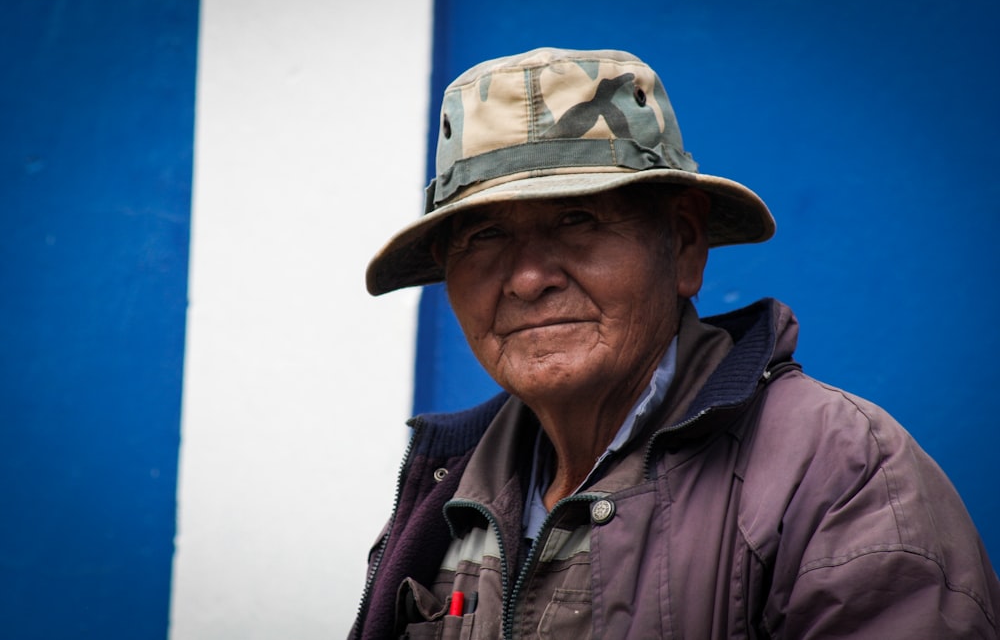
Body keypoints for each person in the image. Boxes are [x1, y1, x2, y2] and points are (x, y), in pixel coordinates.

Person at [350, 48, 1000, 639]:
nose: (527, 278)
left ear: (685, 244)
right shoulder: (446, 493)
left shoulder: (842, 473)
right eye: (484, 236)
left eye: (578, 218)